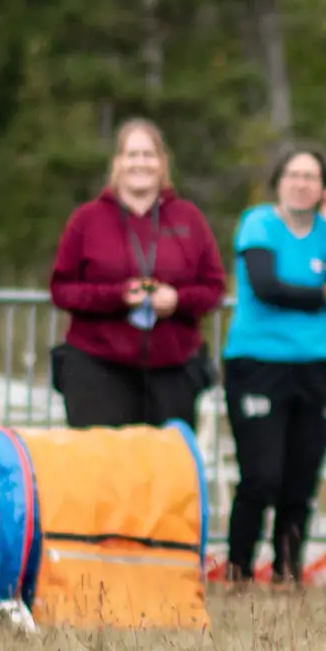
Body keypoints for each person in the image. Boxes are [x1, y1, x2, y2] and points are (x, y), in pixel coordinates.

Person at [219, 144, 326, 586]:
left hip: (313, 368)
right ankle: (239, 571)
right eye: (294, 175)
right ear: (279, 180)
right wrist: (320, 295)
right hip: (257, 364)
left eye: (311, 176)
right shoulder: (259, 223)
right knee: (262, 476)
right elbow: (266, 286)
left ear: (324, 187)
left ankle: (287, 572)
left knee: (301, 478)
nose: (302, 184)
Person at [48, 118, 227, 428]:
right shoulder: (87, 219)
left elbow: (213, 287)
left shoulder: (189, 219)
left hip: (172, 368)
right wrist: (116, 296)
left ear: (162, 163)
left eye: (148, 155)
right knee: (104, 470)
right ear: (117, 163)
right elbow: (62, 289)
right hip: (98, 365)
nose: (140, 163)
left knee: (165, 471)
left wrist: (177, 300)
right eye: (132, 155)